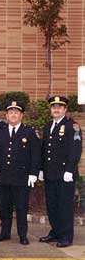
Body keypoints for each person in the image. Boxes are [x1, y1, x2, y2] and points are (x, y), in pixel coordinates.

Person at [0, 101, 40, 245]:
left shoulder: (29, 132)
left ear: (21, 115)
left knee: (21, 208)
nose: (13, 115)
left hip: (21, 178)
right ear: (6, 115)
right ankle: (5, 233)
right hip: (2, 177)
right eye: (11, 112)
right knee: (4, 208)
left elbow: (35, 154)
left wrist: (33, 173)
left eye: (16, 112)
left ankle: (22, 235)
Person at [39, 96, 83, 248]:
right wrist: (41, 169)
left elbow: (75, 149)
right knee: (52, 205)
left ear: (65, 109)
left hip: (65, 174)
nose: (56, 109)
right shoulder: (48, 126)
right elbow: (44, 150)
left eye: (59, 107)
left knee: (64, 206)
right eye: (53, 107)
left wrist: (70, 169)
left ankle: (66, 236)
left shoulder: (72, 126)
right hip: (50, 173)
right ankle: (56, 232)